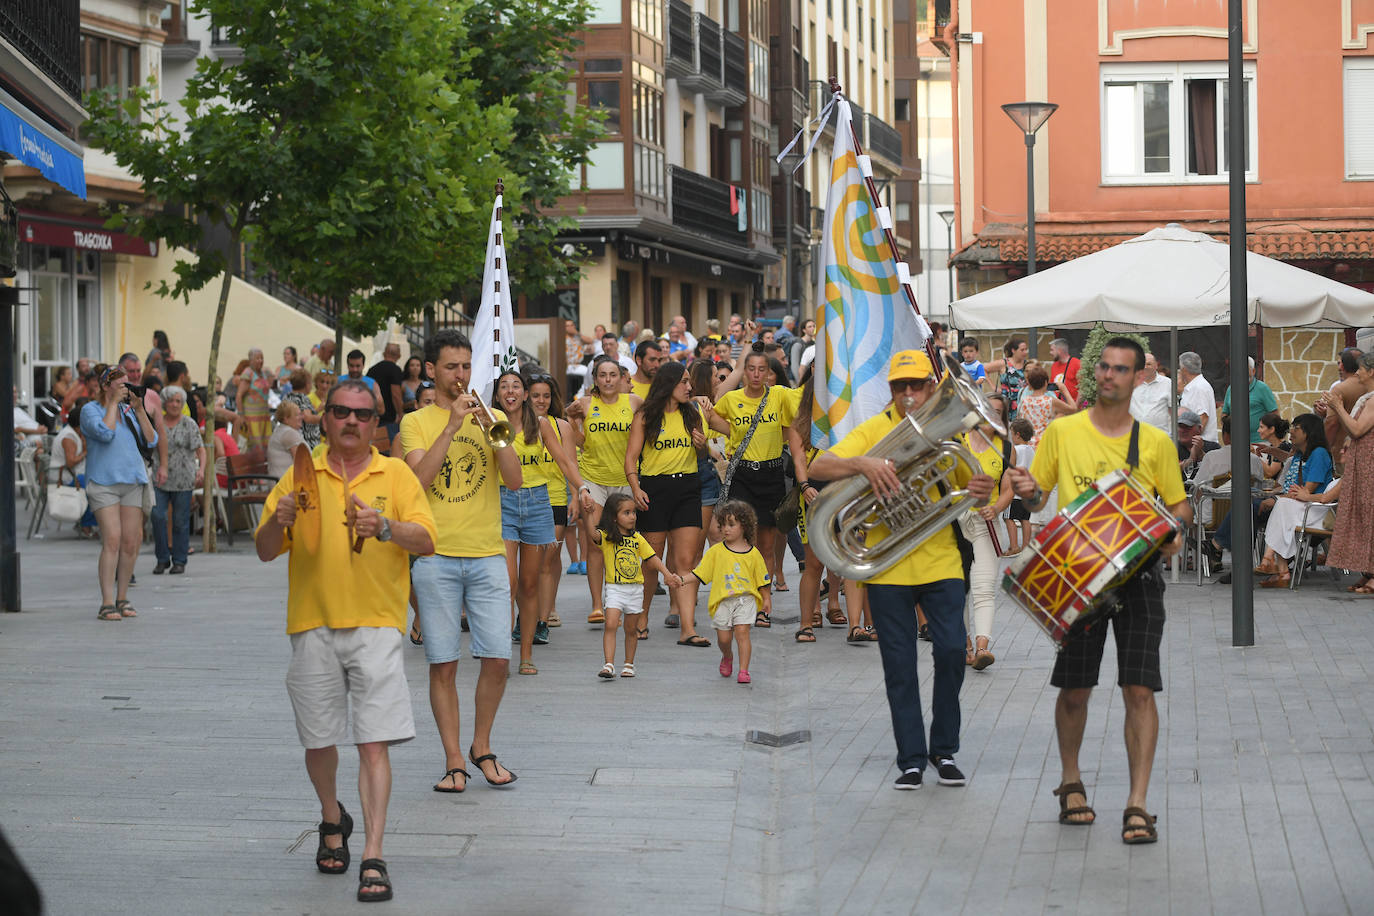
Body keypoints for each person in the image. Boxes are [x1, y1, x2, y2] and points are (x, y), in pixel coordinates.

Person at [255, 378, 436, 903]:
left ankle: (374, 855)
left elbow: (427, 540)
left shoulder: (395, 474)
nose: (351, 421)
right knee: (318, 740)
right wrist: (279, 522)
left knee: (373, 741)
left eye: (362, 413)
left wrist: (385, 527)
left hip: (377, 624)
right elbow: (265, 549)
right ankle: (332, 817)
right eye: (340, 412)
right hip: (311, 623)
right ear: (326, 420)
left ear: (376, 423)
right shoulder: (300, 474)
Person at [1007, 336, 1189, 845]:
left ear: (1138, 378)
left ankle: (1138, 803)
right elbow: (1039, 495)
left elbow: (1178, 506)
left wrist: (1174, 529)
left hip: (1140, 576)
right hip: (1077, 578)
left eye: (1120, 369)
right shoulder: (1063, 432)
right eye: (1104, 367)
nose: (1109, 375)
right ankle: (1071, 782)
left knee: (1140, 689)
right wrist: (1027, 491)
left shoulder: (1155, 443)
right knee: (1075, 690)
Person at [809, 350, 996, 790]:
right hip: (887, 568)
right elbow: (818, 466)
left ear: (932, 387)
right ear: (890, 389)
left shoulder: (950, 431)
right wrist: (863, 463)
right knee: (899, 665)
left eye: (916, 385)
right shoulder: (874, 429)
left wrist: (981, 489)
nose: (909, 393)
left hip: (941, 561)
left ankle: (944, 750)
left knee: (952, 652)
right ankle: (911, 759)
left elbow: (974, 489)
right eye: (900, 386)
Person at [399, 330, 522, 793]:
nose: (461, 375)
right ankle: (454, 759)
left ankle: (481, 745)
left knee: (498, 659)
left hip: (487, 553)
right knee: (444, 663)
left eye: (467, 367)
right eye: (452, 367)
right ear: (432, 370)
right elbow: (417, 481)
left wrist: (497, 431)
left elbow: (514, 481)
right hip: (436, 557)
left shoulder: (490, 418)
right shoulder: (416, 422)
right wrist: (450, 427)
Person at [494, 371, 585, 674]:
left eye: (516, 386)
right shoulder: (490, 422)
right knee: (508, 582)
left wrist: (581, 488)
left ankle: (526, 655)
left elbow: (564, 461)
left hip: (538, 504)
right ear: (497, 395)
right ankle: (502, 656)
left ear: (524, 395)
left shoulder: (540, 423)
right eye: (504, 387)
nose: (510, 391)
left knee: (530, 584)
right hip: (502, 502)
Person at [706, 343, 802, 613]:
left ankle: (763, 603)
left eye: (762, 370)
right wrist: (728, 427)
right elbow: (710, 416)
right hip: (743, 475)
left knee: (767, 546)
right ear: (744, 372)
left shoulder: (779, 395)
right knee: (742, 539)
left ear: (770, 373)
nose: (757, 374)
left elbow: (803, 406)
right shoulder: (732, 399)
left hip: (771, 475)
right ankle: (742, 594)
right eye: (751, 369)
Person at [625, 361, 711, 647]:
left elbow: (702, 456)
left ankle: (688, 629)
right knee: (652, 562)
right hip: (654, 489)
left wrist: (701, 446)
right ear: (668, 384)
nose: (689, 386)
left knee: (685, 562)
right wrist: (636, 488)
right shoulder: (646, 416)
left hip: (687, 487)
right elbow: (631, 458)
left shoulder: (692, 414)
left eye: (689, 381)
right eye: (683, 381)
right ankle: (641, 618)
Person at [567, 356, 642, 625]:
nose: (608, 380)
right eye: (602, 375)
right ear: (595, 379)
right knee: (596, 540)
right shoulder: (585, 404)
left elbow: (660, 416)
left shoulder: (634, 402)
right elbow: (576, 438)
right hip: (594, 479)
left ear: (621, 377)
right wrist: (572, 421)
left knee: (623, 542)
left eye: (613, 374)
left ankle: (618, 602)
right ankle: (597, 605)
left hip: (625, 480)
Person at [82, 365, 159, 621]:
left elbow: (152, 440)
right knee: (112, 540)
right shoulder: (91, 410)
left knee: (130, 542)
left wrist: (139, 409)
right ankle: (107, 602)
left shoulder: (129, 412)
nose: (126, 389)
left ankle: (122, 597)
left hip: (132, 481)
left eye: (128, 384)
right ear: (106, 386)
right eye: (121, 385)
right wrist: (113, 403)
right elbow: (105, 433)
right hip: (103, 483)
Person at [591, 493, 683, 679]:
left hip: (635, 590)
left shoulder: (638, 539)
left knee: (631, 630)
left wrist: (667, 575)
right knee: (610, 624)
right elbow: (593, 534)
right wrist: (587, 515)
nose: (632, 516)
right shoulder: (607, 537)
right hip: (615, 588)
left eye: (633, 512)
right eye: (626, 513)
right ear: (614, 517)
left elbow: (652, 558)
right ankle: (608, 665)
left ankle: (628, 664)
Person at [694, 500, 770, 684]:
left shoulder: (753, 553)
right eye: (723, 525)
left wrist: (766, 599)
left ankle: (744, 670)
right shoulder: (716, 552)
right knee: (724, 638)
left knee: (742, 633)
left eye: (731, 524)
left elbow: (762, 580)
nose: (725, 529)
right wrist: (680, 580)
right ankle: (727, 655)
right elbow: (700, 573)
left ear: (744, 526)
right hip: (722, 601)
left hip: (745, 599)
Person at [960, 421, 1015, 670]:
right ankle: (965, 646)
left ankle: (982, 647)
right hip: (956, 523)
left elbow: (1008, 489)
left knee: (984, 588)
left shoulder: (1005, 448)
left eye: (996, 413)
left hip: (985, 523)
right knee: (958, 589)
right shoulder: (957, 440)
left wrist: (996, 508)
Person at [1320, 351, 1374, 592]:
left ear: (1371, 371)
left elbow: (1357, 429)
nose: (1357, 372)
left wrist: (1337, 407)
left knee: (1369, 517)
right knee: (1363, 517)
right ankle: (1368, 571)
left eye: (1361, 369)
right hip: (1362, 465)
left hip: (1369, 467)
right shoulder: (1366, 399)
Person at [528, 374, 578, 629]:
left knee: (548, 559)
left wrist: (576, 496)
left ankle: (544, 616)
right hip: (527, 499)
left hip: (556, 498)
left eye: (546, 396)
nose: (541, 400)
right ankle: (534, 611)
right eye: (536, 395)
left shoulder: (562, 427)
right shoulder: (516, 426)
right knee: (534, 563)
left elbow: (570, 463)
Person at [151, 385, 205, 575]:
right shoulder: (157, 423)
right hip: (160, 477)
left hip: (183, 479)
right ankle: (162, 558)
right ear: (164, 403)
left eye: (178, 401)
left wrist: (201, 470)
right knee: (157, 516)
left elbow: (200, 449)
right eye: (171, 401)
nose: (174, 405)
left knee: (180, 521)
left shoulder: (189, 424)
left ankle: (180, 560)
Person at [51, 396, 98, 536]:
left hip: (72, 474)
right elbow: (70, 462)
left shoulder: (73, 433)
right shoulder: (69, 437)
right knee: (93, 487)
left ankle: (88, 523)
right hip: (65, 477)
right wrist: (85, 452)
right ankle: (86, 525)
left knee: (97, 482)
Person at [1221, 357, 1279, 445]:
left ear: (1253, 371)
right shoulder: (1231, 389)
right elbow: (1224, 414)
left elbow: (1275, 415)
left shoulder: (1262, 388)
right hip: (1237, 443)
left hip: (1260, 443)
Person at [1017, 365, 1076, 445]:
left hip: (1028, 444)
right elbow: (1073, 409)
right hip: (1045, 444)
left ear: (1030, 384)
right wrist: (1064, 390)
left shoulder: (1024, 401)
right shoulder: (1051, 401)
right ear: (1046, 383)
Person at [1005, 418, 1035, 554]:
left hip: (1015, 492)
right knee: (1025, 519)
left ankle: (1014, 546)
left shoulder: (1015, 450)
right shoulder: (1031, 450)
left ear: (1017, 435)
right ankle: (1025, 546)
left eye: (1012, 434)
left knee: (1008, 518)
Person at [367, 343, 406, 444]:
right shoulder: (395, 370)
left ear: (384, 354)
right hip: (389, 419)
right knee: (390, 447)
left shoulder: (372, 370)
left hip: (372, 416)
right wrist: (400, 413)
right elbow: (395, 394)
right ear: (399, 356)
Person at [236, 348, 274, 450]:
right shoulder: (248, 373)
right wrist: (241, 415)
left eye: (262, 358)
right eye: (257, 358)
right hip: (251, 418)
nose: (260, 361)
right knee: (255, 447)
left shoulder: (263, 373)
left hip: (264, 416)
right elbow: (239, 395)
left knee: (266, 446)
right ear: (251, 360)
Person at [1177, 351, 1218, 444]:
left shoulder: (1199, 387)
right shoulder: (1195, 386)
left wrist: (1193, 443)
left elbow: (1203, 417)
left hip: (1201, 443)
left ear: (1184, 369)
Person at [984, 336, 1029, 418]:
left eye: (1026, 349)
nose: (1025, 352)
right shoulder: (1004, 363)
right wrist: (993, 386)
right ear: (1013, 350)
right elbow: (983, 369)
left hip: (1023, 403)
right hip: (1006, 403)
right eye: (1022, 350)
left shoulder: (1027, 365)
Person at [1129, 352, 1173, 433]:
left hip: (1160, 435)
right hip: (1135, 434)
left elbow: (1173, 410)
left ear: (1156, 366)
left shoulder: (1168, 383)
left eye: (1149, 364)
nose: (1145, 367)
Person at [282, 368, 322, 450]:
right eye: (311, 382)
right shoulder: (302, 398)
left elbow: (301, 413)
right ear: (307, 384)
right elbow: (307, 418)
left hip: (292, 438)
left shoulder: (288, 397)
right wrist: (325, 418)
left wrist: (317, 410)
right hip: (307, 442)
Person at [267, 400, 307, 479]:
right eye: (297, 415)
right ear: (286, 419)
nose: (301, 417)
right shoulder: (289, 433)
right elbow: (301, 463)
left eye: (300, 414)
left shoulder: (282, 430)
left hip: (282, 480)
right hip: (286, 483)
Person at [1048, 338, 1082, 404]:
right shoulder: (1054, 365)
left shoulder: (1077, 364)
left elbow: (1082, 389)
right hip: (1058, 406)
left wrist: (1075, 407)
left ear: (1059, 350)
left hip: (1072, 406)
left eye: (1052, 350)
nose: (1050, 353)